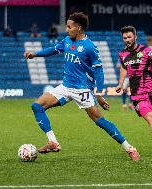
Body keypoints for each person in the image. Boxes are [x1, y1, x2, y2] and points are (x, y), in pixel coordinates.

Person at [24, 12, 140, 161]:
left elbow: (99, 70)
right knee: (37, 106)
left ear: (78, 28)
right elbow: (53, 49)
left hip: (83, 89)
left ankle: (129, 148)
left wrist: (98, 94)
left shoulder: (89, 47)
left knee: (99, 120)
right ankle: (53, 142)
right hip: (65, 86)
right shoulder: (66, 41)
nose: (66, 29)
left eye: (69, 27)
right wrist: (35, 54)